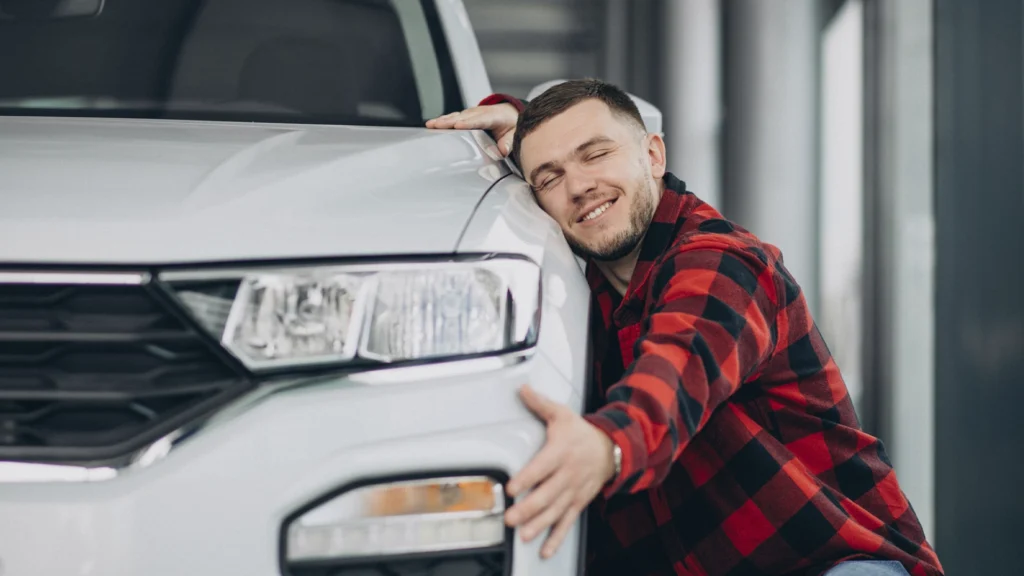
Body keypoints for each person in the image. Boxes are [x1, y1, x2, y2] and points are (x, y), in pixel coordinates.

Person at [427, 79, 943, 576]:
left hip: (837, 565)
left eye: (596, 154)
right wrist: (521, 121)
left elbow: (680, 365)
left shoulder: (722, 261)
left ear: (653, 156)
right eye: (549, 177)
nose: (579, 186)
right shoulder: (585, 295)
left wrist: (607, 445)